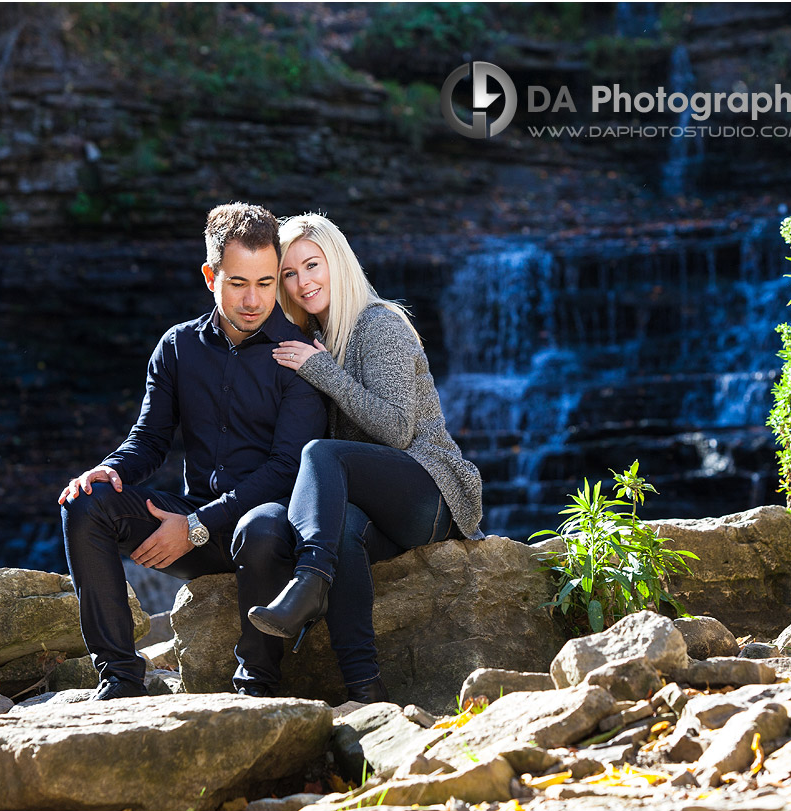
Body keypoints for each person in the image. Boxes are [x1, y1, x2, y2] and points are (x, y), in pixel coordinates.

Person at [59, 202, 326, 700]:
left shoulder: (299, 355)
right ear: (210, 276)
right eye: (238, 283)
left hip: (268, 532)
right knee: (85, 503)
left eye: (266, 283)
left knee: (263, 525)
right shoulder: (177, 347)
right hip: (192, 525)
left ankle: (257, 684)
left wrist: (197, 525)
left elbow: (288, 470)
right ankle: (119, 677)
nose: (253, 300)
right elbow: (150, 440)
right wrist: (109, 469)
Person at [245, 213, 483, 703]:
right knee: (343, 528)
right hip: (382, 511)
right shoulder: (320, 339)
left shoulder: (379, 324)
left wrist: (322, 372)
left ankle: (309, 584)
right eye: (289, 274)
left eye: (312, 265)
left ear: (338, 262)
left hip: (433, 491)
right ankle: (365, 691)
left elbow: (397, 430)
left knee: (322, 455)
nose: (301, 282)